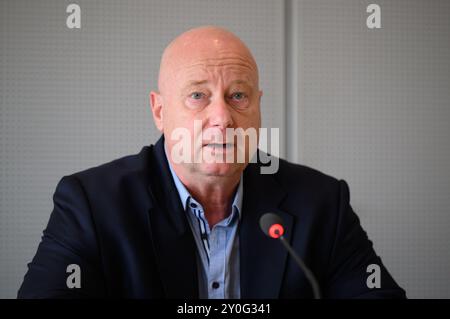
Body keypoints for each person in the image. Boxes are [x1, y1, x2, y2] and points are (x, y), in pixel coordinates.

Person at [18, 26, 406, 299]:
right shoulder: (91, 204)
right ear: (159, 110)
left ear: (258, 107)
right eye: (198, 95)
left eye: (238, 96)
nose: (222, 117)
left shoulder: (322, 202)